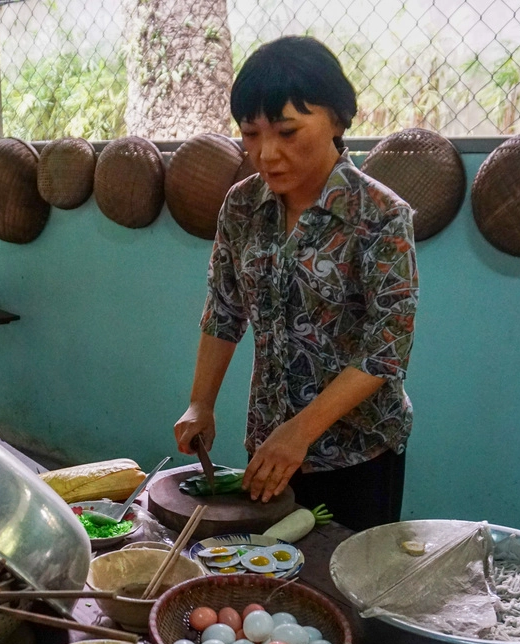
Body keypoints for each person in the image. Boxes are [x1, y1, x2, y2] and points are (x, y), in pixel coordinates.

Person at [173, 36, 418, 531]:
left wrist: (301, 432)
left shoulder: (379, 215)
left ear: (338, 118)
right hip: (269, 442)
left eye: (287, 132)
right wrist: (201, 402)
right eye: (250, 133)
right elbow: (224, 310)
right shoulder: (242, 207)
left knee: (345, 590)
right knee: (272, 574)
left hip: (358, 450)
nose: (266, 154)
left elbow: (386, 348)